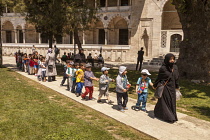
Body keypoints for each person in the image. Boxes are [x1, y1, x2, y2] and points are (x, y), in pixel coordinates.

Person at [154, 53, 180, 123]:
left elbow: (177, 77)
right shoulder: (163, 68)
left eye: (173, 59)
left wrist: (177, 86)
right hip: (165, 87)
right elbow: (159, 78)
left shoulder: (175, 67)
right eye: (170, 59)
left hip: (173, 87)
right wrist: (155, 85)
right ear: (167, 59)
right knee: (165, 101)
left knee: (171, 102)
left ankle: (159, 113)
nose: (172, 61)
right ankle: (169, 117)